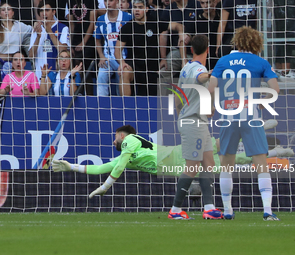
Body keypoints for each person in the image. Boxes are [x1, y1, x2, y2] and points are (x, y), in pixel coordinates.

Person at [52, 124, 220, 219]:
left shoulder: (130, 140)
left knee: (216, 148)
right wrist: (71, 166)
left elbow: (118, 168)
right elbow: (101, 168)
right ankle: (189, 210)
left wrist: (105, 186)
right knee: (219, 158)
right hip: (171, 165)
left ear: (122, 135)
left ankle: (240, 133)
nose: (113, 141)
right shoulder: (127, 156)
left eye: (115, 136)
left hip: (173, 154)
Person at [208, 26, 280, 221]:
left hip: (228, 115)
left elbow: (210, 86)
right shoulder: (260, 62)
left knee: (226, 165)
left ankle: (228, 210)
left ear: (236, 41)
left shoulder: (223, 61)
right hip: (250, 115)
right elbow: (275, 88)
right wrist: (263, 100)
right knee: (261, 164)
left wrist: (214, 106)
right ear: (256, 43)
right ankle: (267, 210)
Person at [166, 35, 222, 220]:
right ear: (208, 49)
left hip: (197, 121)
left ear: (191, 50)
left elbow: (178, 94)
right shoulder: (199, 69)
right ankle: (175, 210)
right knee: (192, 166)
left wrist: (183, 111)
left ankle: (209, 208)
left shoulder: (185, 68)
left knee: (209, 164)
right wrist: (214, 72)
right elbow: (201, 78)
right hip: (193, 123)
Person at [115, 0, 164, 96]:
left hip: (153, 65)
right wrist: (122, 63)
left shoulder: (155, 23)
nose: (137, 10)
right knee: (124, 72)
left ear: (146, 9)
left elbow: (175, 26)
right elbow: (117, 50)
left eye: (140, 7)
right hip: (134, 64)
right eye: (135, 7)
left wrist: (182, 32)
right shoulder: (127, 28)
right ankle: (126, 106)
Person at [0, 0, 33, 80]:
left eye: (8, 9)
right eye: (3, 10)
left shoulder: (19, 26)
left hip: (14, 63)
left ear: (13, 12)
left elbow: (32, 30)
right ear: (0, 14)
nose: (6, 12)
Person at [94, 0, 132, 96]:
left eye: (111, 0)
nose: (108, 3)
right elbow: (97, 40)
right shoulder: (100, 19)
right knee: (101, 77)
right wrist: (101, 56)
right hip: (108, 58)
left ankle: (122, 105)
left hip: (125, 59)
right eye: (106, 1)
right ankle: (101, 105)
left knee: (123, 79)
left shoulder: (128, 17)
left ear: (117, 1)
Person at [29, 0, 70, 81]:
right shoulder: (36, 29)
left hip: (56, 75)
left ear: (54, 12)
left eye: (47, 10)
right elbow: (31, 56)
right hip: (39, 75)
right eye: (41, 11)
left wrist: (49, 31)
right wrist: (37, 38)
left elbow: (62, 50)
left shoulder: (63, 28)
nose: (44, 13)